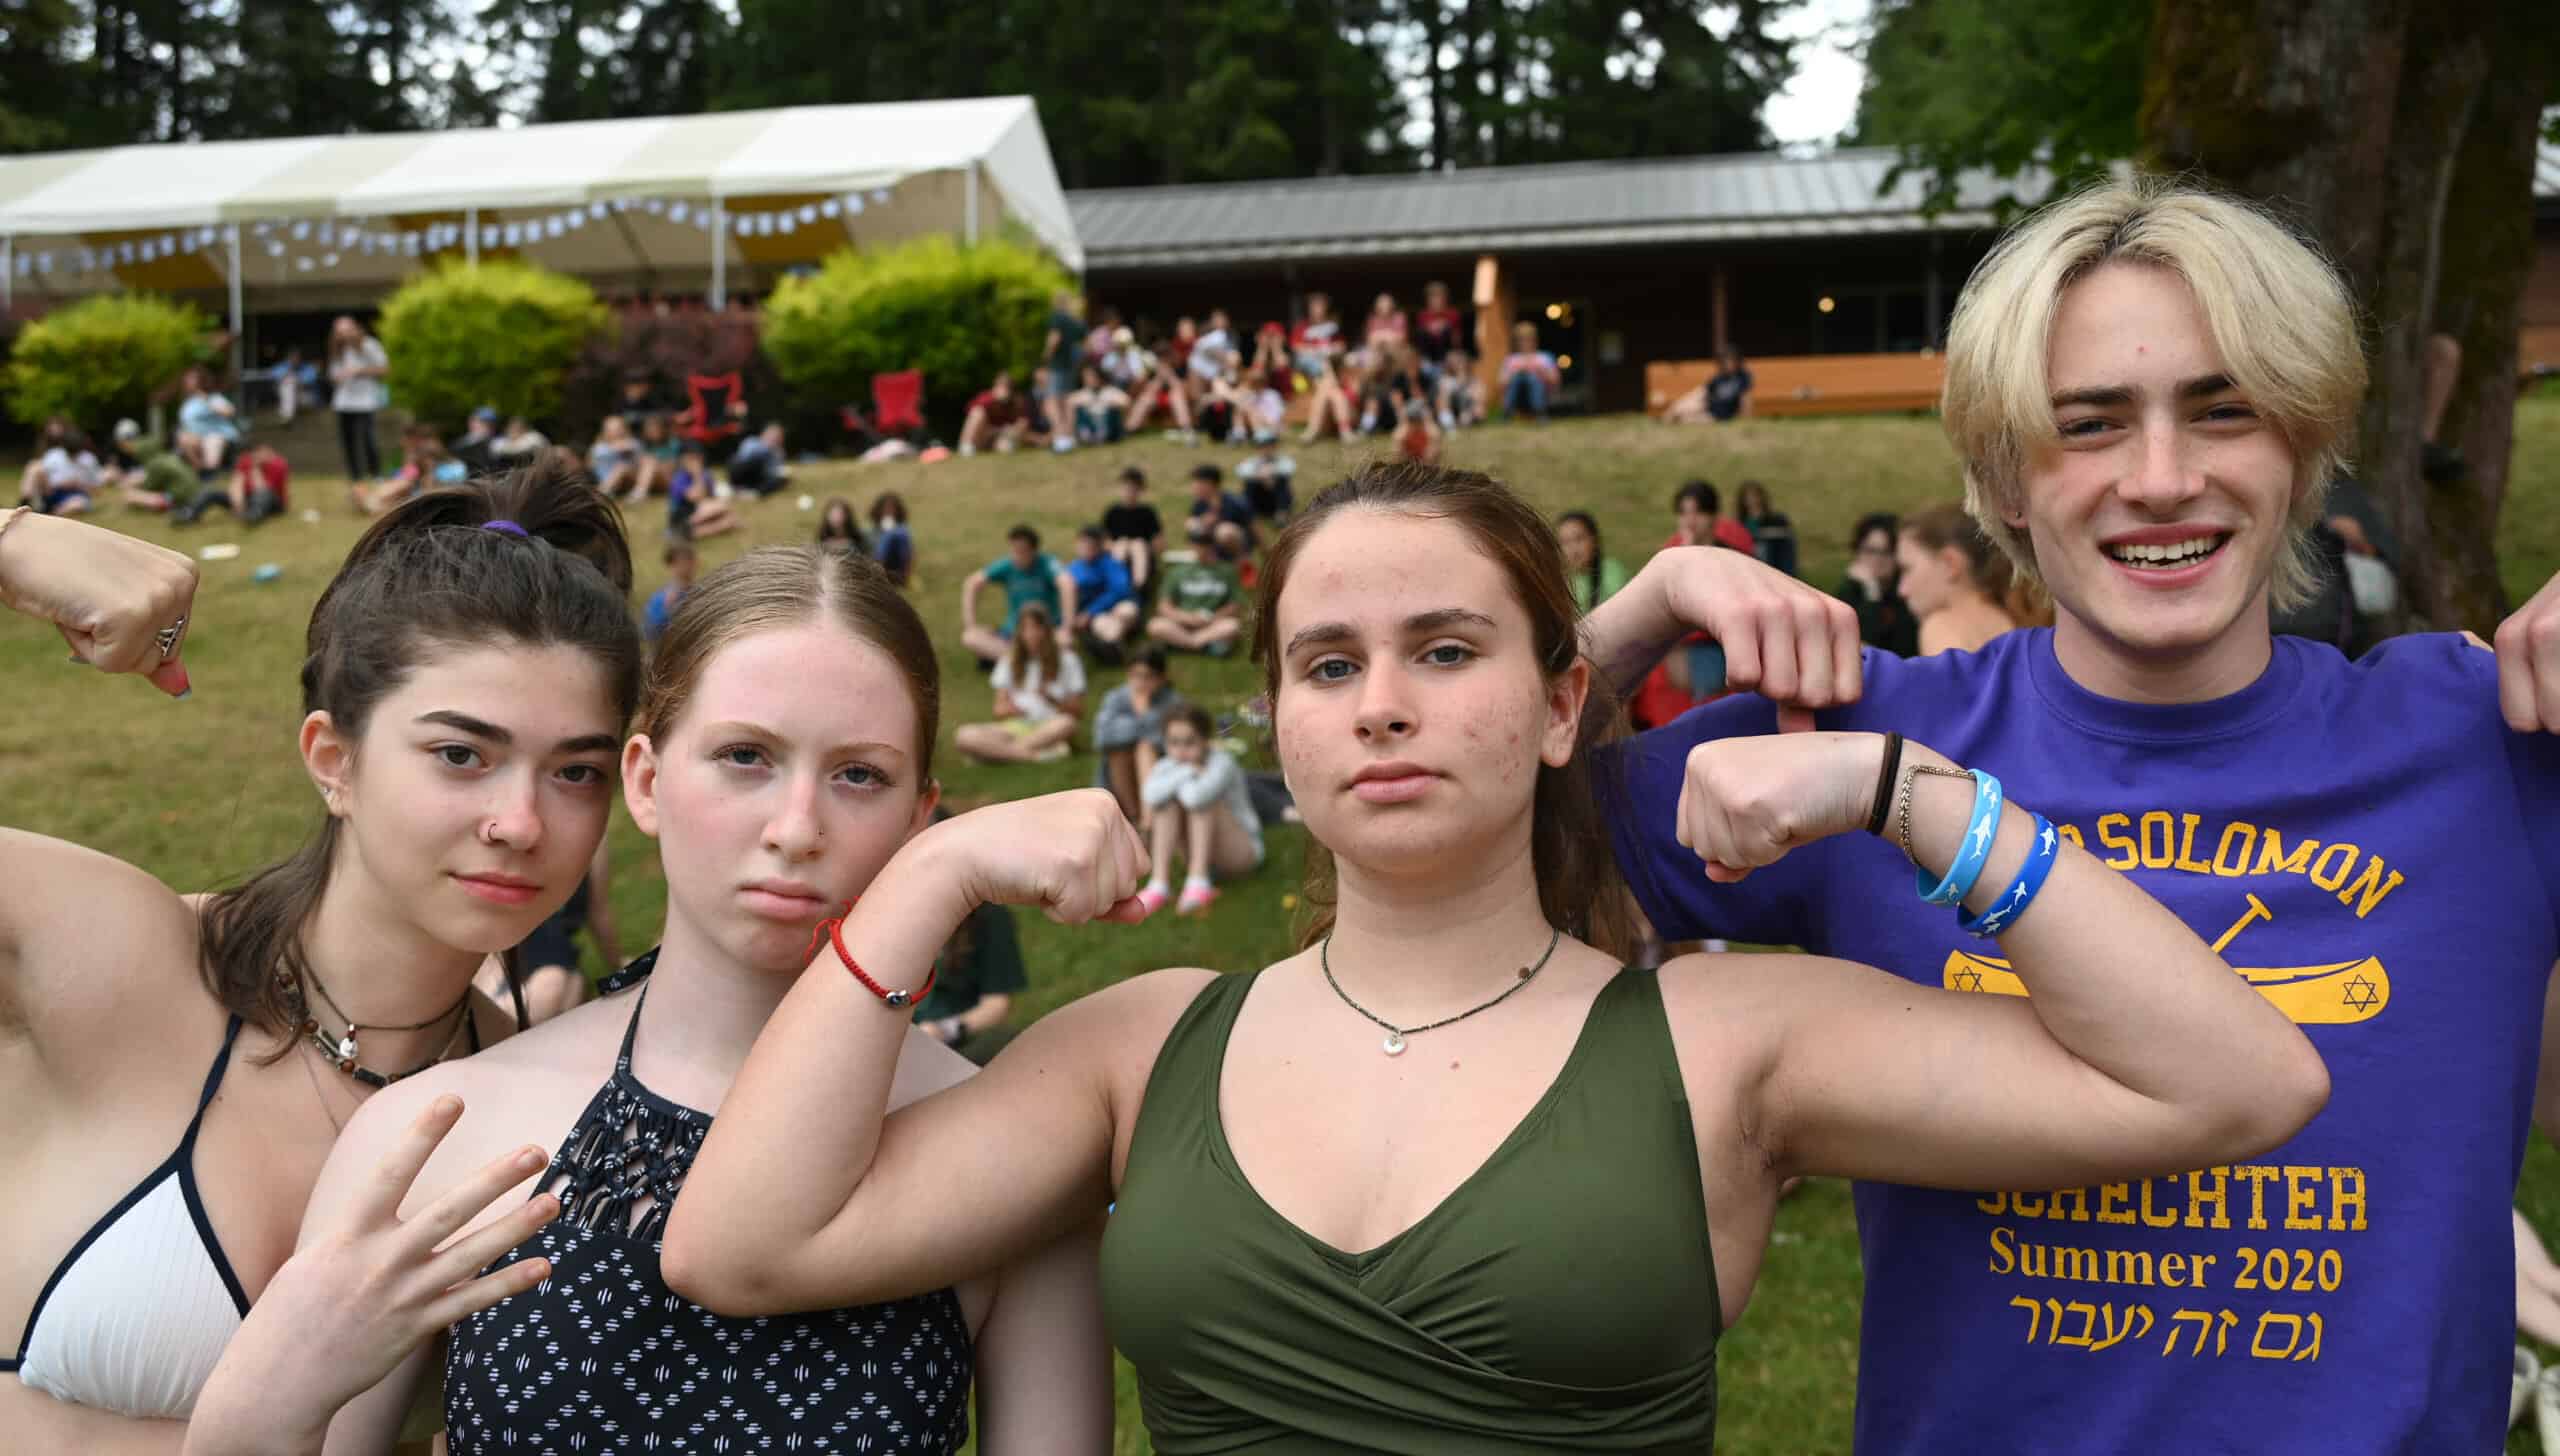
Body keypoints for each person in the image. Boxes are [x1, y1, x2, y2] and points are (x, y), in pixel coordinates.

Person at [657, 457, 2330, 1453]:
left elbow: (2237, 1077)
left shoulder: (1722, 1038)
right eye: (1327, 665)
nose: (1380, 700)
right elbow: (744, 1242)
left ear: (1556, 706)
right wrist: (937, 865)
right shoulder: (1143, 1044)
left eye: (1443, 651)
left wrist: (1910, 794)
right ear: (1286, 735)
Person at [1581, 175, 2560, 1453]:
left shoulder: (2482, 738)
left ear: (2304, 450)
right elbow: (1463, 823)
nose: (2161, 478)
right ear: (2000, 483)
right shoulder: (1864, 738)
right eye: (2088, 425)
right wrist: (1646, 605)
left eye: (2225, 410)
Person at [183, 544, 1110, 1455]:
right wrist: (266, 1398)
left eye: (858, 775)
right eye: (746, 756)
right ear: (647, 780)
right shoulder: (446, 1130)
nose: (797, 830)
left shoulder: (1008, 1154)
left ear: (921, 818)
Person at [0, 458, 639, 1447]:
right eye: (461, 754)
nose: (520, 821)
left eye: (576, 770)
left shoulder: (529, 1112)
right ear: (332, 761)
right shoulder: (114, 953)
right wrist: (13, 544)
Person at [1135, 704, 1264, 916]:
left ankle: (1198, 881)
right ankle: (1159, 884)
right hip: (1196, 851)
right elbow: (1149, 796)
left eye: (1190, 742)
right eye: (1174, 742)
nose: (1181, 750)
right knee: (1164, 802)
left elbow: (1194, 798)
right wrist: (1187, 771)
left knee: (1203, 800)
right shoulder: (1169, 764)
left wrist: (1180, 775)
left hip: (1240, 853)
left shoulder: (1222, 762)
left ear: (1205, 740)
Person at [478, 838, 619, 1026]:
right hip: (509, 953)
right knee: (552, 989)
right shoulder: (512, 832)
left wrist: (618, 968)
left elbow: (598, 911)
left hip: (559, 954)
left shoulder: (592, 838)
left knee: (568, 989)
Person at [953, 602, 1087, 765]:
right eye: (1026, 628)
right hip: (1016, 726)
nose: (1032, 634)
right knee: (964, 735)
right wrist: (1014, 710)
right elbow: (999, 709)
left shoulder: (1068, 660)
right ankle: (1034, 755)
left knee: (1067, 724)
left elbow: (1078, 712)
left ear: (1047, 630)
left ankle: (996, 753)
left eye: (1037, 628)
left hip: (1050, 724)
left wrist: (1051, 699)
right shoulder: (1009, 660)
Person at [1894, 502, 2025, 656]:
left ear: (1950, 563)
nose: (1902, 590)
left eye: (1907, 569)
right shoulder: (2016, 620)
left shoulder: (1941, 626)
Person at [960, 524, 1076, 666]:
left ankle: (1016, 662)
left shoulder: (1047, 563)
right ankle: (1023, 661)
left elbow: (1067, 584)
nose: (1017, 556)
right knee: (970, 637)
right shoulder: (1007, 565)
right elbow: (972, 583)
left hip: (1047, 631)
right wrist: (970, 624)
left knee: (1065, 642)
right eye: (1014, 550)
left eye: (1022, 551)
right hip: (1013, 633)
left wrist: (1066, 627)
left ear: (1034, 550)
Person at [1094, 646, 1182, 821]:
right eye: (1135, 675)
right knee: (1119, 750)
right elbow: (1102, 737)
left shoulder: (1172, 702)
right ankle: (1134, 817)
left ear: (1161, 678)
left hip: (1160, 769)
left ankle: (1148, 821)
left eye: (1148, 676)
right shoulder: (1116, 698)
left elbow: (1169, 741)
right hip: (1119, 773)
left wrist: (1141, 718)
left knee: (1145, 748)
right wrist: (1143, 720)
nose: (1141, 682)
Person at [1833, 511, 1922, 658]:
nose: (1876, 559)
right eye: (1870, 551)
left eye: (1885, 552)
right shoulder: (1849, 592)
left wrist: (1873, 594)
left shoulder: (1907, 597)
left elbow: (1892, 649)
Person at [1144, 546, 1243, 656]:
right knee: (1155, 625)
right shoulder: (1177, 571)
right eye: (1199, 544)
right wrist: (1184, 617)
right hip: (1181, 623)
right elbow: (1163, 605)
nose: (1203, 550)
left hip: (1212, 623)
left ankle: (1182, 644)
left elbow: (1234, 605)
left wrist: (1213, 618)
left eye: (1207, 544)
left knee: (1232, 626)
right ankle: (1201, 645)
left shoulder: (1227, 571)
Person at [327, 316, 389, 481]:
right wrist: (338, 377)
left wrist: (358, 371)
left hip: (365, 402)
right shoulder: (338, 349)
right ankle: (355, 477)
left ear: (355, 328)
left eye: (346, 331)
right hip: (343, 402)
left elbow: (384, 369)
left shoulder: (370, 345)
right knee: (348, 441)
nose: (343, 335)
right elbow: (333, 374)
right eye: (339, 332)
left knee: (368, 439)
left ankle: (375, 473)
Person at [1065, 525, 1140, 660]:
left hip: (1116, 607)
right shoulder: (1073, 568)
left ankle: (1109, 645)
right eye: (1083, 544)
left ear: (1099, 546)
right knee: (1103, 624)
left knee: (1126, 611)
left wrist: (1091, 611)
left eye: (1091, 546)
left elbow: (1120, 590)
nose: (1086, 549)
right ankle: (1113, 648)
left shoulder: (1111, 563)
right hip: (1097, 617)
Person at [16, 417, 100, 516]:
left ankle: (49, 515)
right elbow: (44, 478)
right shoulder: (54, 455)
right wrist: (59, 485)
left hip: (75, 496)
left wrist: (79, 485)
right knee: (34, 467)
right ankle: (24, 502)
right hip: (52, 492)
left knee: (77, 505)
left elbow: (97, 490)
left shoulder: (89, 460)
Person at [1555, 510, 1631, 615]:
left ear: (1594, 539)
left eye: (1579, 539)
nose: (1573, 550)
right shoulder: (1562, 583)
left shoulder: (1612, 572)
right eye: (1565, 542)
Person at [1102, 466, 1164, 593]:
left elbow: (1159, 542)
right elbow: (1104, 541)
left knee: (1137, 545)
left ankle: (1138, 585)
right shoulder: (1113, 512)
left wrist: (1144, 547)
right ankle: (1117, 583)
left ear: (1140, 490)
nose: (1129, 493)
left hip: (1142, 553)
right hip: (1118, 551)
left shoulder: (1147, 512)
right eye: (1126, 488)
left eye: (1134, 489)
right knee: (1122, 544)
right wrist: (1119, 545)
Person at [175, 367, 245, 477]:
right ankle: (201, 470)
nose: (187, 382)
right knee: (183, 437)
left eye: (191, 379)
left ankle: (211, 469)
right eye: (186, 379)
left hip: (219, 435)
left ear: (201, 381)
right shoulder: (188, 403)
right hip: (197, 437)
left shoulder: (213, 397)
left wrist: (206, 400)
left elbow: (229, 412)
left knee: (212, 440)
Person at [1042, 290, 1086, 453]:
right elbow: (1084, 345)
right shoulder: (1076, 321)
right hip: (1071, 366)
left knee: (1051, 402)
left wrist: (1046, 357)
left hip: (1058, 365)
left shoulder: (1058, 317)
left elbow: (1054, 339)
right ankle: (1069, 437)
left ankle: (1060, 438)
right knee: (1067, 401)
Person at [1184, 463, 1256, 555]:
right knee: (1193, 523)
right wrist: (1201, 523)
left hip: (1239, 546)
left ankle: (1241, 562)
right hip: (1213, 549)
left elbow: (1254, 529)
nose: (1193, 486)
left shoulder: (1235, 503)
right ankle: (1209, 563)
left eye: (1197, 482)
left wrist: (1266, 555)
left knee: (1225, 532)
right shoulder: (1200, 503)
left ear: (1209, 483)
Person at [665, 447, 735, 541]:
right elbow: (695, 497)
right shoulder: (678, 479)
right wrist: (697, 475)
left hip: (698, 512)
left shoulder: (706, 475)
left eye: (697, 458)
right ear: (683, 461)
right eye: (691, 459)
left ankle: (690, 532)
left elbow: (710, 496)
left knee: (728, 518)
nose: (695, 463)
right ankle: (685, 530)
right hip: (682, 515)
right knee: (721, 507)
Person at [1498, 321, 1560, 422]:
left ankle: (1539, 412)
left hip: (1541, 394)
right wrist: (1515, 372)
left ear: (1535, 340)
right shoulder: (1510, 360)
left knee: (1532, 377)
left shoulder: (1544, 358)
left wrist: (1539, 371)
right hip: (1517, 395)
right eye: (1521, 339)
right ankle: (1507, 412)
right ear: (1516, 342)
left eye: (1528, 339)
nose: (1525, 342)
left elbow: (1555, 381)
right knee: (1519, 377)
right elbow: (1501, 383)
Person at [1735, 480, 1798, 578]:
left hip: (1773, 558)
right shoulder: (1740, 522)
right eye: (1748, 497)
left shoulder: (1777, 519)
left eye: (1754, 496)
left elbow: (1786, 535)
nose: (1752, 500)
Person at [958, 372, 1030, 456]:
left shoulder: (1017, 403)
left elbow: (1023, 423)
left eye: (1007, 387)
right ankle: (966, 445)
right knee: (978, 412)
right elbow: (972, 414)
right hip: (982, 435)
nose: (1003, 390)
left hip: (1000, 437)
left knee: (1006, 446)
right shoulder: (986, 398)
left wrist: (1010, 431)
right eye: (1001, 386)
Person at [644, 540, 698, 644]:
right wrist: (667, 609)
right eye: (680, 562)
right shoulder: (659, 599)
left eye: (689, 560)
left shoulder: (701, 592)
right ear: (671, 566)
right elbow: (650, 633)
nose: (686, 566)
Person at [585, 414, 647, 503]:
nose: (616, 432)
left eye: (618, 428)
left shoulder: (633, 443)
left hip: (629, 479)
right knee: (621, 467)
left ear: (625, 429)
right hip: (605, 479)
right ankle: (602, 492)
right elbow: (591, 462)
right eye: (612, 429)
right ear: (605, 431)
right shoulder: (599, 447)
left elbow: (638, 454)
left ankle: (638, 492)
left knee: (624, 467)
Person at [1067, 362, 1131, 446]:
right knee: (1080, 410)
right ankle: (1085, 436)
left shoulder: (1110, 391)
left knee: (1112, 410)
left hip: (1107, 424)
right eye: (1086, 377)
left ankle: (1102, 435)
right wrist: (1088, 403)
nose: (1090, 380)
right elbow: (1070, 402)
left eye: (1092, 376)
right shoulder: (1083, 393)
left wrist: (1108, 404)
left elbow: (1126, 402)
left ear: (1099, 376)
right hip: (1091, 425)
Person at [1237, 440, 1295, 525]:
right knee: (1249, 483)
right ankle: (1247, 512)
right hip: (1258, 497)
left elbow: (1289, 469)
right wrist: (1260, 476)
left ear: (1274, 447)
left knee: (1282, 481)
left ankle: (1281, 513)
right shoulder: (1252, 461)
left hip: (1276, 497)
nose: (1267, 450)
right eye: (1263, 447)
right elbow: (1241, 471)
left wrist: (1271, 472)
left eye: (1269, 446)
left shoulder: (1282, 460)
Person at [727, 422, 790, 497]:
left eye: (778, 437)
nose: (774, 439)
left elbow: (774, 470)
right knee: (750, 461)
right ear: (764, 434)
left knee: (780, 479)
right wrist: (768, 448)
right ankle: (737, 488)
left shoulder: (778, 452)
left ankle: (753, 492)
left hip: (759, 478)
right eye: (773, 435)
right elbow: (745, 458)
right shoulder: (752, 441)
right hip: (743, 472)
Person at [869, 491, 914, 587]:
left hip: (896, 562)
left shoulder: (903, 531)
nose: (889, 512)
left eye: (892, 509)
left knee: (895, 535)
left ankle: (882, 573)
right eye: (886, 509)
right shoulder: (872, 530)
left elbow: (908, 553)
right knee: (889, 536)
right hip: (879, 560)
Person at [1705, 345, 1753, 422]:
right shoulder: (1719, 378)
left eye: (1730, 360)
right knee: (1685, 409)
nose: (1727, 364)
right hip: (1708, 406)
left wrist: (1746, 417)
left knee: (1690, 418)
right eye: (1725, 361)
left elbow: (1745, 399)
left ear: (1737, 361)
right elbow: (1706, 393)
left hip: (1720, 414)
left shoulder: (1742, 377)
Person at [449, 408, 503, 476]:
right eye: (483, 422)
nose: (488, 427)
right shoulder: (458, 445)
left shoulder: (497, 443)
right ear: (471, 422)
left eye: (491, 424)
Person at [1396, 399, 1442, 464]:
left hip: (1426, 466)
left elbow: (1432, 456)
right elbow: (1396, 457)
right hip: (1409, 464)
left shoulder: (1431, 431)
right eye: (1412, 420)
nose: (1415, 423)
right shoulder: (1403, 432)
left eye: (1417, 419)